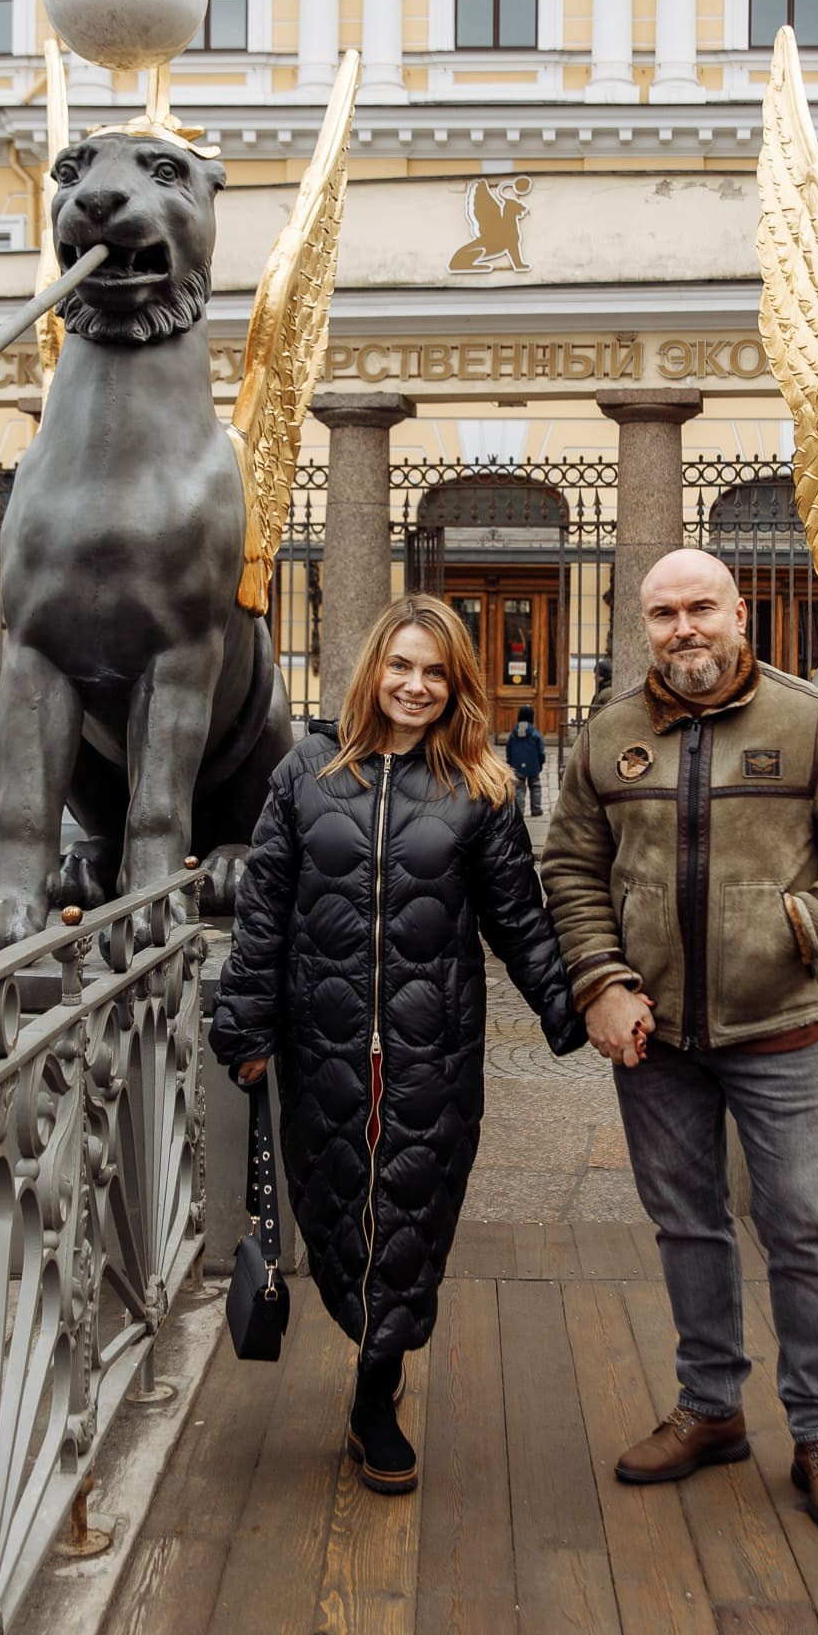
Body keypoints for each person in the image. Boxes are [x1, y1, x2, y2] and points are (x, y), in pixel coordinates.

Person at [541, 549, 818, 1538]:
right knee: (688, 1224)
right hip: (655, 1037)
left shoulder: (814, 722)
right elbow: (571, 869)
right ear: (645, 625)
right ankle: (710, 1407)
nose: (683, 628)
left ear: (738, 613)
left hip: (779, 1030)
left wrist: (801, 925)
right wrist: (601, 980)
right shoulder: (610, 733)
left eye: (700, 607)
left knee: (803, 1228)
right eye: (663, 613)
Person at [210, 595, 583, 1496]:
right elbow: (262, 913)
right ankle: (369, 1340)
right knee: (335, 1206)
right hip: (323, 1047)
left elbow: (518, 920)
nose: (416, 686)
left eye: (436, 673)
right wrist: (246, 1024)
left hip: (432, 1056)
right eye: (402, 666)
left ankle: (375, 1388)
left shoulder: (478, 788)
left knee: (413, 1220)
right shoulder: (305, 773)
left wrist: (575, 1013)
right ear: (373, 668)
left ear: (457, 686)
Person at [504, 702, 547, 816]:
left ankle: (520, 811)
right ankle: (536, 809)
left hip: (517, 766)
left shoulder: (513, 733)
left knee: (519, 789)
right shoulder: (534, 733)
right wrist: (541, 762)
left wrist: (510, 762)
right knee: (535, 786)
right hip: (533, 765)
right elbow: (541, 751)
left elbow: (509, 749)